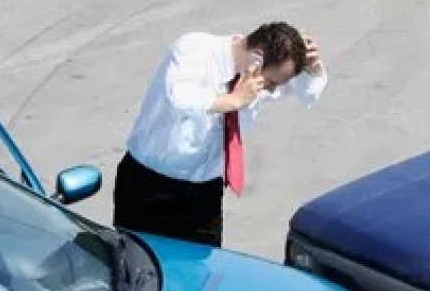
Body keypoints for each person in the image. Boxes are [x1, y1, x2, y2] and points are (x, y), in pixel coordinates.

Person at [112, 22, 328, 247]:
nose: (271, 90)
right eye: (271, 83)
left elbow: (308, 95)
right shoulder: (194, 49)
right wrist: (234, 100)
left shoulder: (256, 77)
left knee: (204, 274)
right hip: (150, 187)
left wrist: (312, 68)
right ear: (257, 57)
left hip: (204, 194)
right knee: (136, 270)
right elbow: (179, 97)